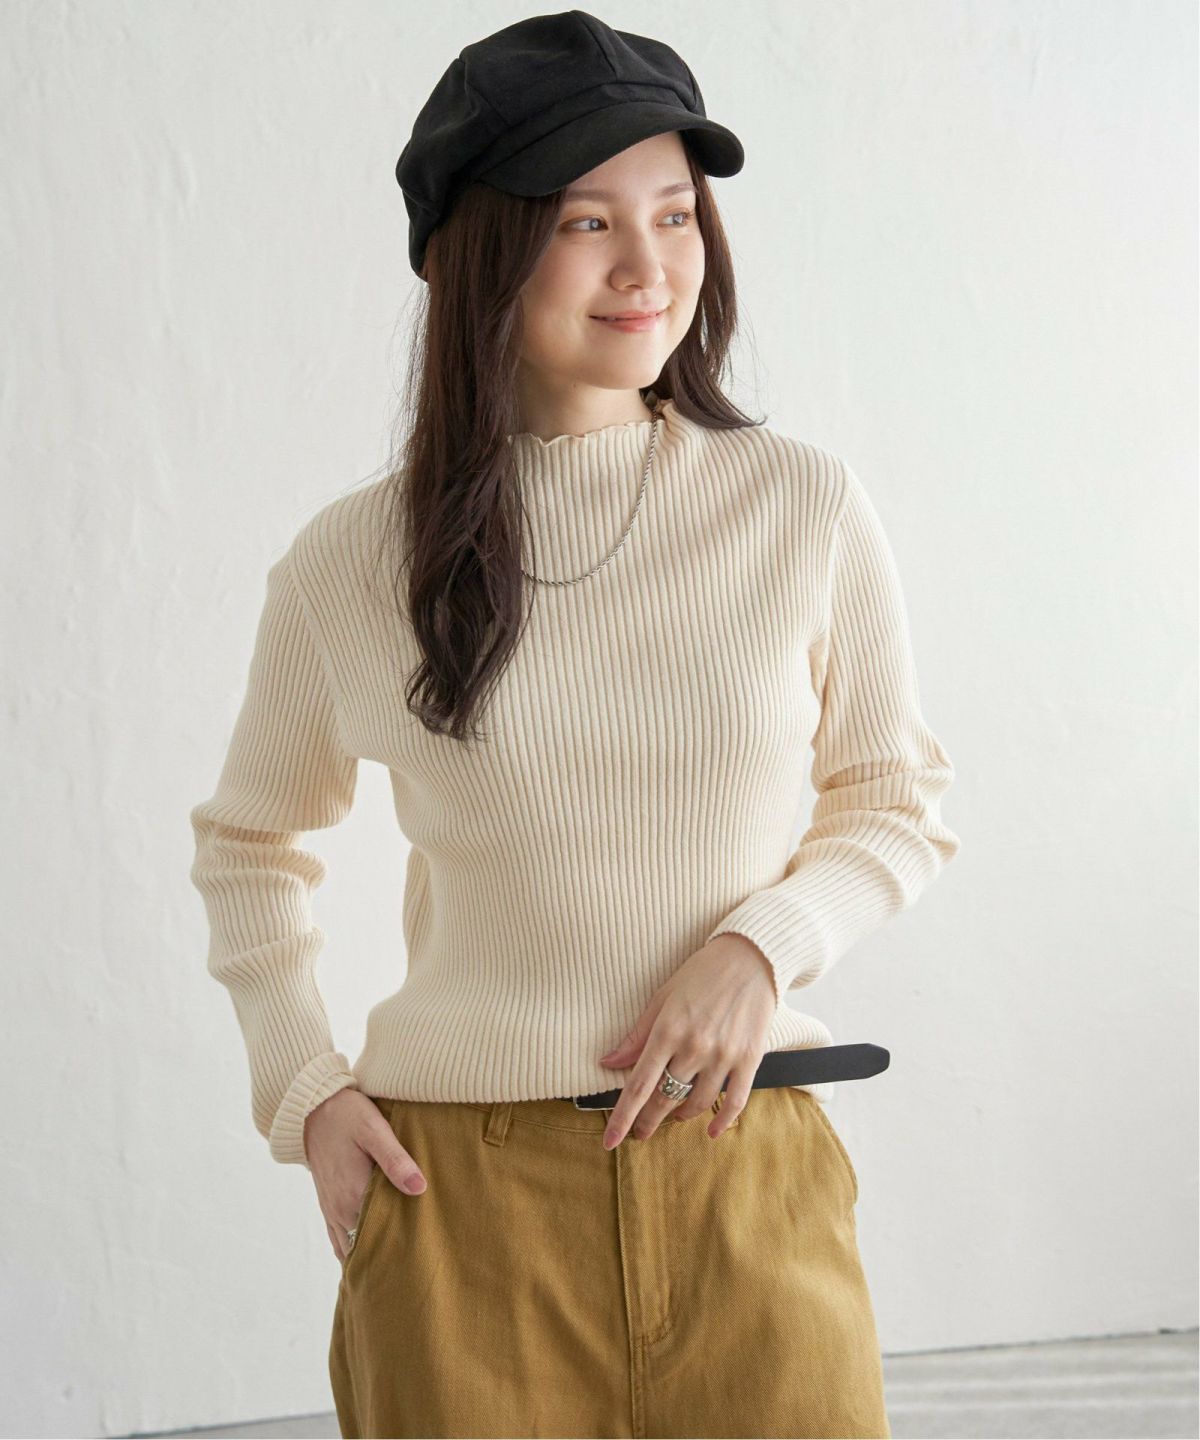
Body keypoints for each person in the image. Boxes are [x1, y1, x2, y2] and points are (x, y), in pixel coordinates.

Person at [188, 11, 960, 1439]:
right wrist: (303, 1089)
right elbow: (249, 844)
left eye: (676, 213)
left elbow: (892, 801)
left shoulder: (801, 506)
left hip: (746, 1170)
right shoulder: (350, 564)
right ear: (479, 252)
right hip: (466, 1210)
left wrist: (762, 946)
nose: (649, 266)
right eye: (586, 221)